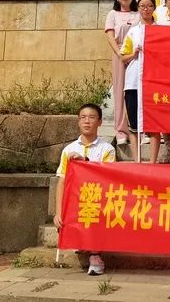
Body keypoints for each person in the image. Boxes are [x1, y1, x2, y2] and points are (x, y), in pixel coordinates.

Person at [54, 103, 115, 276]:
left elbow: (106, 177)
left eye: (92, 117)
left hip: (97, 199)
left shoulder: (107, 149)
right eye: (83, 117)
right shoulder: (68, 150)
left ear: (100, 122)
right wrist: (58, 212)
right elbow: (62, 181)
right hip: (75, 201)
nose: (87, 121)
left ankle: (95, 256)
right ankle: (81, 244)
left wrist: (84, 163)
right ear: (78, 121)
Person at [120, 0, 160, 162]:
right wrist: (134, 54)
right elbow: (123, 56)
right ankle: (137, 160)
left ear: (154, 8)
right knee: (134, 123)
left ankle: (153, 161)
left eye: (149, 5)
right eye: (142, 6)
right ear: (138, 8)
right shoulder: (133, 31)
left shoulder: (160, 30)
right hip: (133, 82)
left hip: (154, 81)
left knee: (154, 122)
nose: (146, 9)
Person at [104, 0, 138, 147]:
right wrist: (120, 55)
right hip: (119, 55)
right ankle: (121, 130)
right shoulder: (113, 14)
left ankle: (138, 129)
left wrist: (133, 55)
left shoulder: (138, 14)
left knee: (135, 92)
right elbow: (110, 35)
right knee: (119, 92)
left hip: (136, 56)